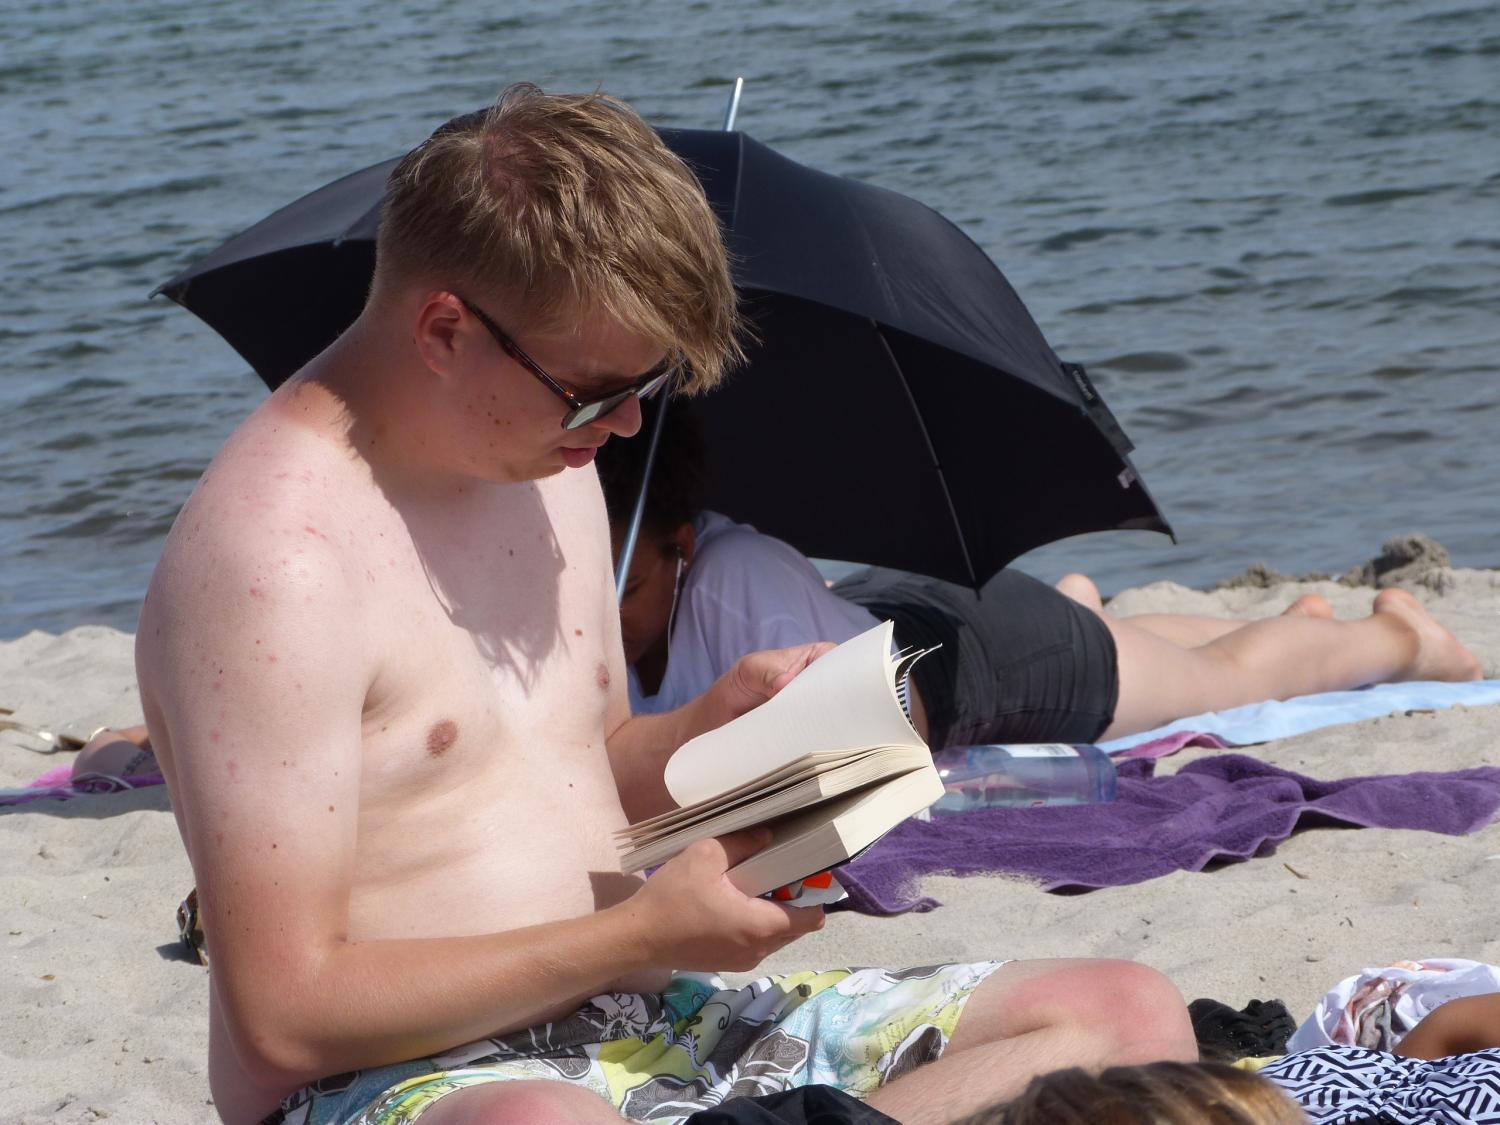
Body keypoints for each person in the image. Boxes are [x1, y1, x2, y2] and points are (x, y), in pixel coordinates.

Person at [135, 86, 1197, 1125]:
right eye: (596, 390)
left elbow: (587, 774)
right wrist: (640, 936)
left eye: (647, 386)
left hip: (646, 1022)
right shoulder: (277, 566)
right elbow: (284, 1019)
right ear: (446, 329)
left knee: (1124, 1017)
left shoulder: (546, 464)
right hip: (401, 1078)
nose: (628, 427)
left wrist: (717, 730)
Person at [598, 419, 1482, 750]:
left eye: (626, 588)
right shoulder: (625, 592)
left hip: (979, 662)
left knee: (1227, 682)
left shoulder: (735, 581)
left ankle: (1402, 636)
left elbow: (849, 742)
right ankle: (1098, 609)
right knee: (1135, 653)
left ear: (682, 544)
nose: (605, 615)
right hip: (896, 605)